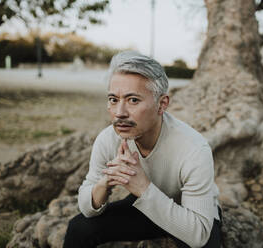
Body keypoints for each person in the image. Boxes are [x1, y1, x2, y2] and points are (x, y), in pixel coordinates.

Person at [63, 51, 221, 248]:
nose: (120, 113)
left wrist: (142, 188)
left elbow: (198, 235)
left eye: (133, 100)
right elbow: (86, 207)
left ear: (161, 104)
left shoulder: (194, 148)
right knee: (79, 228)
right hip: (147, 208)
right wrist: (105, 183)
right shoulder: (108, 139)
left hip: (191, 215)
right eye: (113, 99)